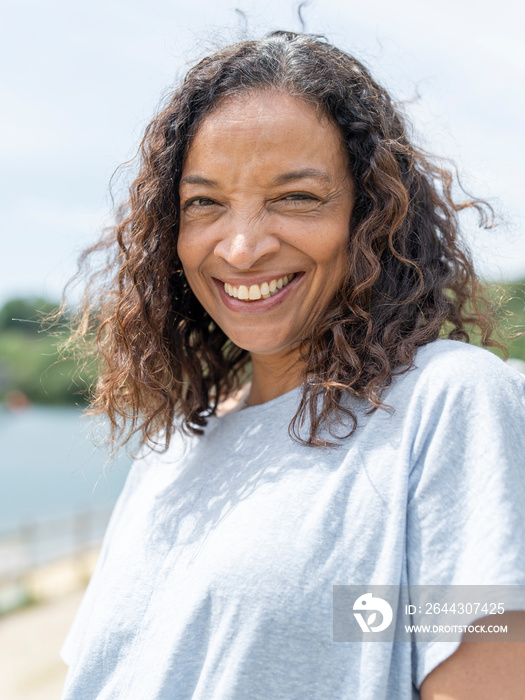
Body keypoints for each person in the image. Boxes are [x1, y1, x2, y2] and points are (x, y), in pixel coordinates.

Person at [59, 31, 525, 699]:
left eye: (296, 197)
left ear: (370, 216)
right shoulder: (175, 447)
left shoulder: (447, 402)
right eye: (205, 203)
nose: (242, 248)